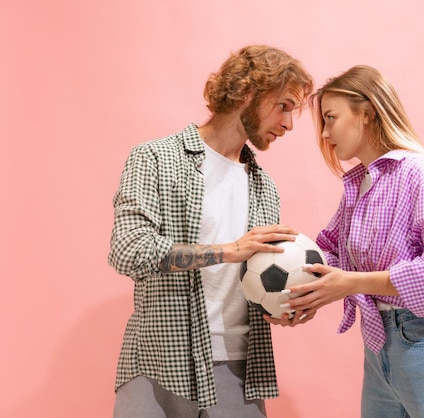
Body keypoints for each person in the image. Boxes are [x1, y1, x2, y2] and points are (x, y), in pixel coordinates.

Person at [108, 44, 314, 418]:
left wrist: (284, 305)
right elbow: (128, 250)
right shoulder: (155, 159)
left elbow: (256, 279)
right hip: (160, 365)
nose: (288, 123)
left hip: (240, 371)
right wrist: (229, 250)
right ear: (249, 92)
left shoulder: (264, 187)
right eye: (284, 106)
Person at [271, 65, 424, 417]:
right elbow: (333, 256)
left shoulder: (421, 172)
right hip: (378, 350)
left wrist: (350, 284)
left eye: (330, 117)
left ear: (366, 113)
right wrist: (299, 297)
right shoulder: (360, 185)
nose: (324, 133)